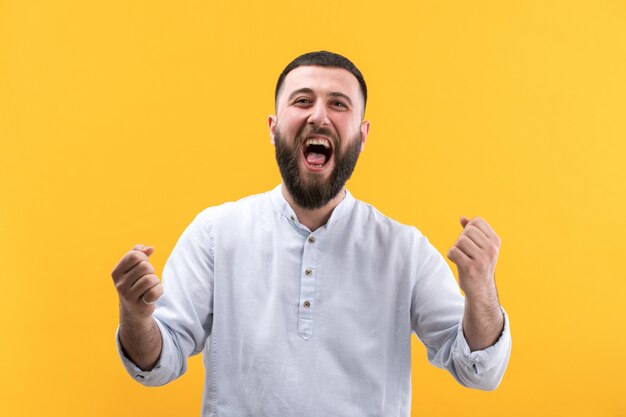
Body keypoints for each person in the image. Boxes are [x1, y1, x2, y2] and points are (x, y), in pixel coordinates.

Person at [111, 51, 511, 417]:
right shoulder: (217, 234)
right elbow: (156, 364)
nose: (319, 116)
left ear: (363, 134)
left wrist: (482, 292)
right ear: (273, 128)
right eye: (302, 101)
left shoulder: (404, 250)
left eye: (338, 104)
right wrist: (135, 315)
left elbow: (479, 371)